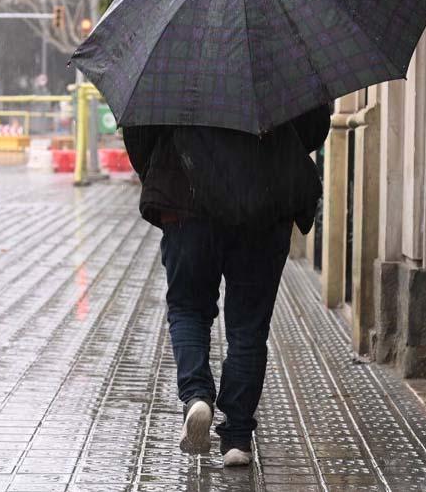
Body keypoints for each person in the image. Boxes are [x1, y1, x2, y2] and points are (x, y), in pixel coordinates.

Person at [123, 104, 331, 467]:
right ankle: (236, 437)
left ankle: (197, 396)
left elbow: (139, 131)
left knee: (189, 308)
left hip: (186, 200)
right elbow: (313, 127)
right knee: (249, 327)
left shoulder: (174, 60)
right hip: (265, 205)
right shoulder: (279, 56)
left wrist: (163, 171)